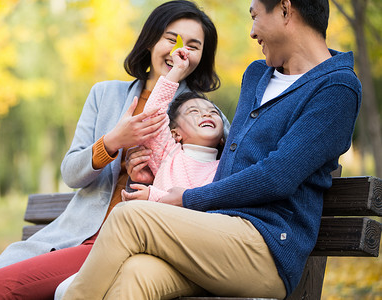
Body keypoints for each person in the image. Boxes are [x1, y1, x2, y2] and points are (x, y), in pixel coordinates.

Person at [60, 0, 362, 299]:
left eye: (254, 16)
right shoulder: (258, 74)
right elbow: (219, 159)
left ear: (285, 10)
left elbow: (276, 176)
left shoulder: (336, 88)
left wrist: (189, 199)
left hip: (266, 246)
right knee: (135, 274)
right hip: (212, 233)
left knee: (129, 217)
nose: (252, 32)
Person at [0, 1, 228, 299]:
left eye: (193, 45)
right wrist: (112, 143)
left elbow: (210, 186)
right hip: (75, 234)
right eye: (170, 39)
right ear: (150, 41)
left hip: (123, 243)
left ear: (202, 56)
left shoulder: (207, 117)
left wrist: (152, 178)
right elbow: (71, 172)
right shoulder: (104, 95)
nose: (180, 51)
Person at [122, 47, 225, 203]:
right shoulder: (168, 155)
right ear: (176, 134)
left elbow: (209, 204)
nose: (206, 114)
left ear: (223, 138)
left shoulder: (225, 168)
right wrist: (177, 69)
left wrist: (154, 196)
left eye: (213, 112)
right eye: (194, 112)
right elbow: (154, 113)